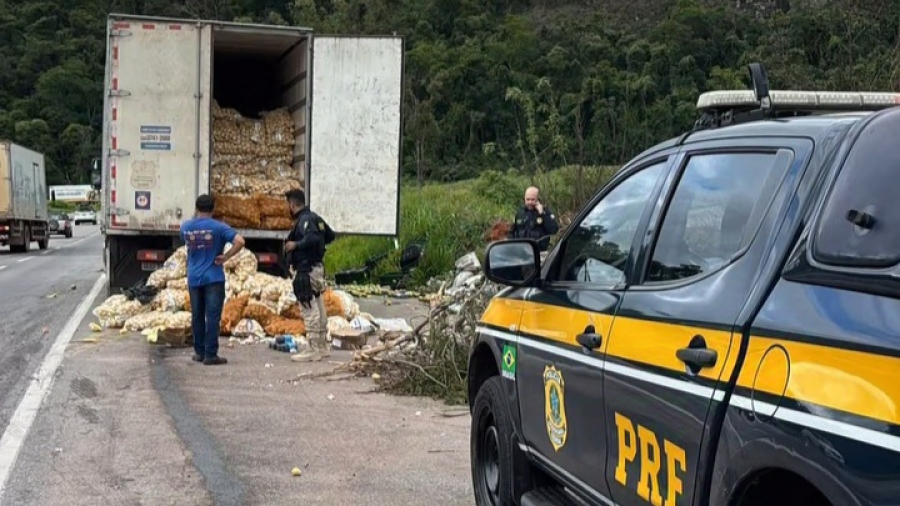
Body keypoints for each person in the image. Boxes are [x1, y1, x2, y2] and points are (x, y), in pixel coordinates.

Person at [180, 194, 245, 366]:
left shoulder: (186, 227)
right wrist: (226, 256)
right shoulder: (220, 227)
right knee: (213, 316)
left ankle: (199, 352)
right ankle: (210, 354)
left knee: (197, 315)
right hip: (214, 277)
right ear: (213, 208)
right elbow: (240, 241)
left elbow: (187, 244)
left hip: (194, 277)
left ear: (196, 208)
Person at [283, 188, 335, 362]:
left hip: (306, 271)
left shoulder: (304, 220)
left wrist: (296, 245)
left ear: (293, 204)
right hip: (316, 267)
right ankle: (321, 346)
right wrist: (317, 250)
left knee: (308, 306)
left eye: (288, 205)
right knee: (318, 304)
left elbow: (312, 238)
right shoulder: (316, 218)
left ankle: (313, 348)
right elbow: (330, 235)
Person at [507, 186, 559, 251]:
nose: (530, 202)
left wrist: (542, 214)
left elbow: (553, 230)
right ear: (524, 199)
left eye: (532, 199)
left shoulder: (545, 212)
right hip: (521, 251)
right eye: (528, 199)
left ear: (537, 199)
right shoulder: (520, 213)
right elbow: (511, 233)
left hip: (539, 252)